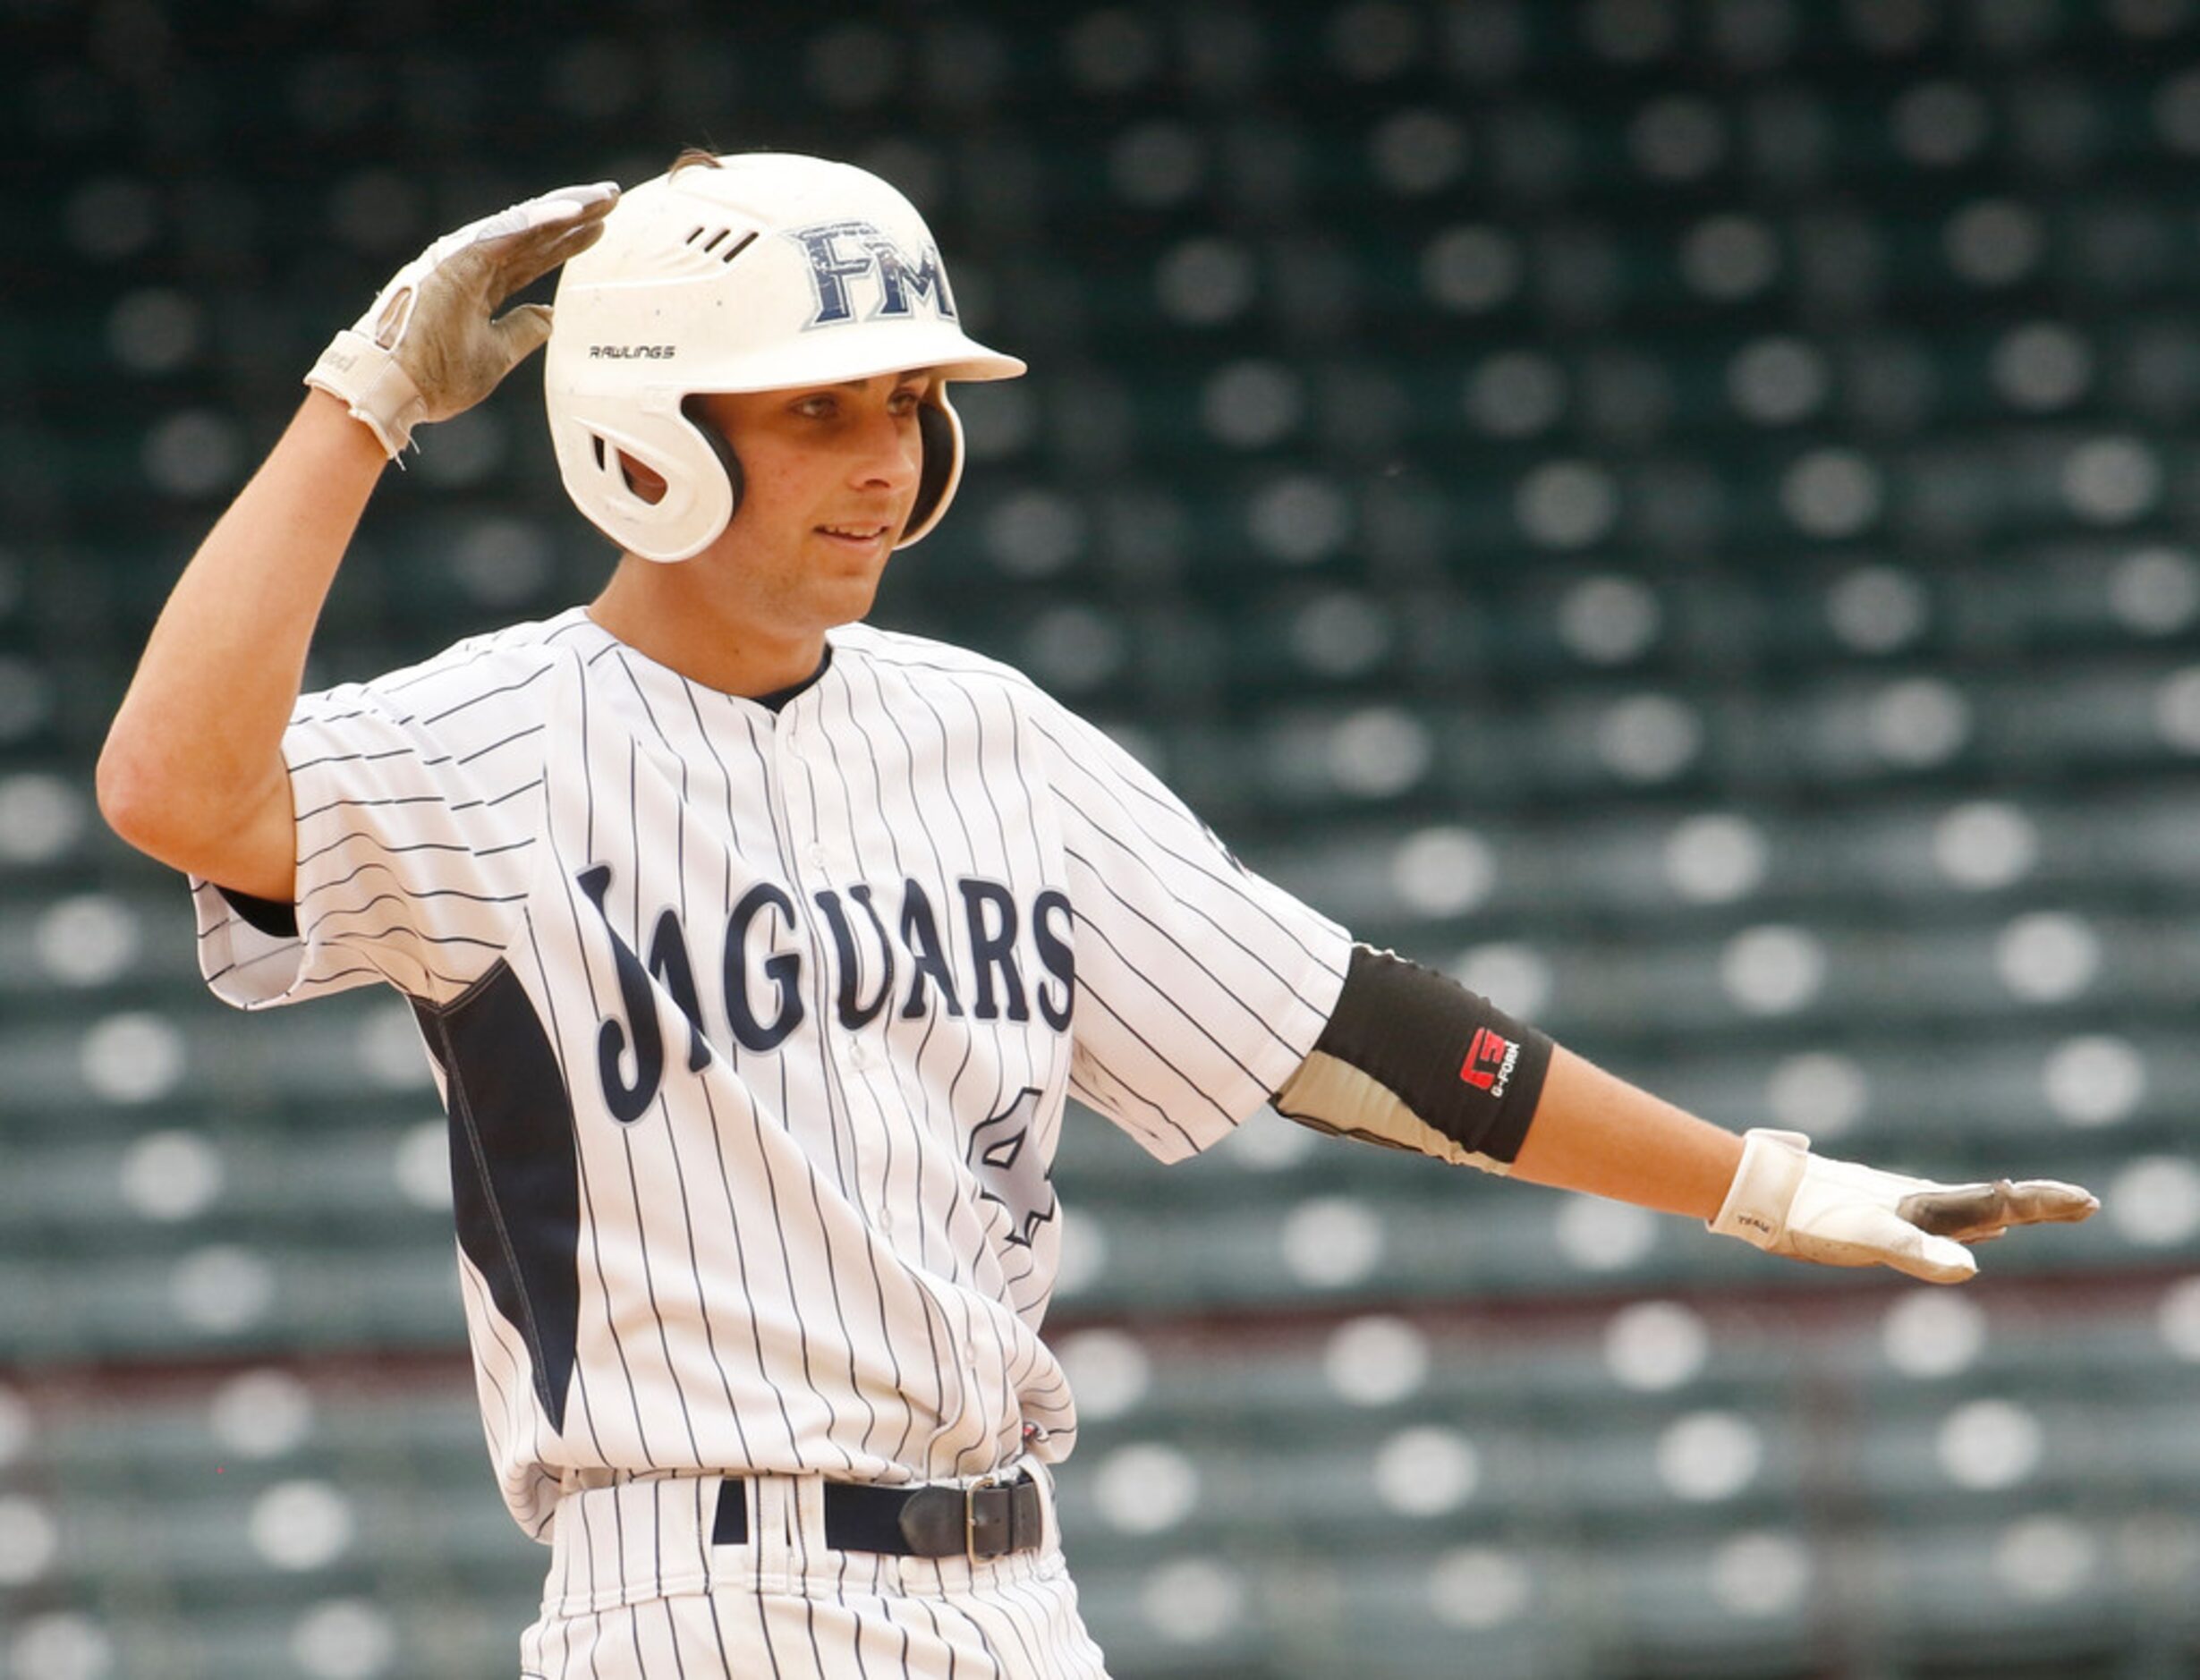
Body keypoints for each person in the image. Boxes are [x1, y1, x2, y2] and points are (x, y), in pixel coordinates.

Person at [97, 149, 2098, 1679]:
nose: (888, 462)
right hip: (692, 1595)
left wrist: (1766, 1184)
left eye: (907, 405)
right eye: (819, 412)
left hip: (1017, 1588)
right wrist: (366, 398)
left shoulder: (988, 733)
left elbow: (1357, 1034)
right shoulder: (491, 742)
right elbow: (172, 790)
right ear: (644, 435)